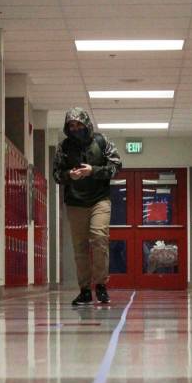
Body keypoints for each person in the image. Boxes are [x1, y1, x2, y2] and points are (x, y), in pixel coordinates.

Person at [52, 108, 122, 306]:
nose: (75, 129)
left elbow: (117, 167)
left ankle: (100, 285)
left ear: (86, 124)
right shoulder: (63, 147)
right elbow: (56, 174)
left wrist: (93, 171)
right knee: (80, 247)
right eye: (71, 126)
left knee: (99, 238)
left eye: (79, 125)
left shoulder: (102, 142)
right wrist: (69, 176)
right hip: (75, 201)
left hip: (99, 199)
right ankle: (84, 290)